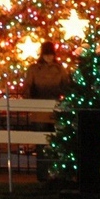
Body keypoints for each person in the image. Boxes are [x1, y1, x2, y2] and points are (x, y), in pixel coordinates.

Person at [25, 41, 70, 181]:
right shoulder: (34, 69)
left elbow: (66, 86)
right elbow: (28, 88)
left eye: (50, 54)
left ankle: (54, 175)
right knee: (41, 145)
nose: (49, 57)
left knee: (55, 144)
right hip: (39, 110)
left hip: (54, 110)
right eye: (46, 54)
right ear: (42, 55)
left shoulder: (59, 69)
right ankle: (43, 175)